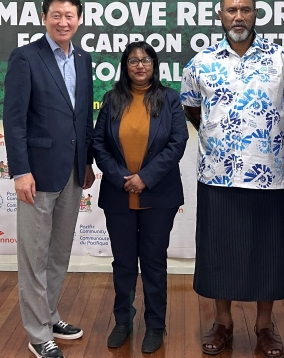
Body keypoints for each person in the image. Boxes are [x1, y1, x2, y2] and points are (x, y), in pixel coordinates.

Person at [181, 0, 284, 357]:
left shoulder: (282, 59)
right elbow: (192, 109)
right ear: (220, 16)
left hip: (269, 173)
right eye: (231, 10)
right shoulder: (200, 62)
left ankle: (265, 327)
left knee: (268, 253)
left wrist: (263, 137)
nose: (238, 17)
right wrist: (221, 137)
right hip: (217, 173)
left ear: (256, 15)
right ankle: (223, 323)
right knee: (221, 252)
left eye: (245, 10)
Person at [3, 0, 95, 358]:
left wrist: (86, 161)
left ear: (79, 20)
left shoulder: (84, 60)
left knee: (58, 253)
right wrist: (20, 171)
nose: (63, 22)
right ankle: (38, 333)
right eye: (56, 15)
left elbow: (83, 116)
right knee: (33, 256)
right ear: (44, 18)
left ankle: (50, 314)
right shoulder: (25, 58)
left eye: (70, 16)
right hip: (37, 176)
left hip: (72, 172)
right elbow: (14, 119)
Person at [92, 41, 188, 354]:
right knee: (123, 263)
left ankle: (155, 324)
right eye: (133, 60)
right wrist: (123, 178)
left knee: (153, 263)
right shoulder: (112, 99)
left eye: (145, 59)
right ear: (125, 66)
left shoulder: (169, 98)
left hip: (159, 196)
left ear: (154, 64)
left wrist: (145, 178)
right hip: (118, 195)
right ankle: (123, 320)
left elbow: (177, 142)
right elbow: (99, 144)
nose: (139, 65)